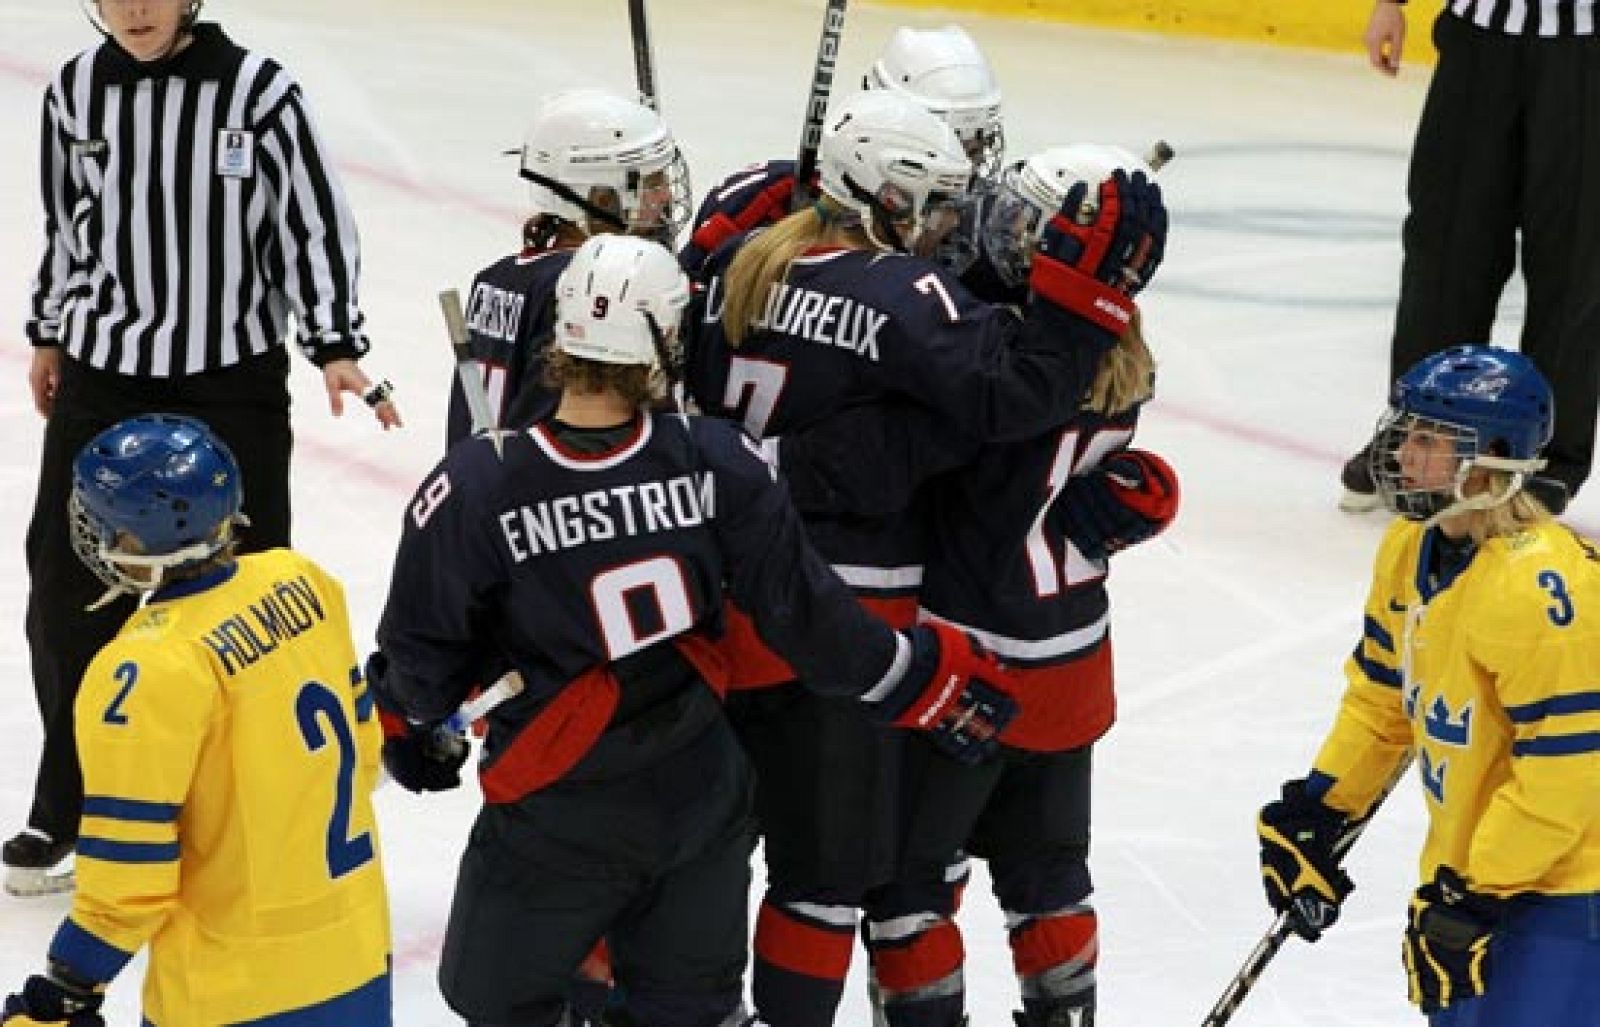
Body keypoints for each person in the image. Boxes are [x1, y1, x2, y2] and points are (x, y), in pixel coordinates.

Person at [367, 234, 1018, 1027]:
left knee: (488, 992)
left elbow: (420, 656)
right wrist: (923, 675)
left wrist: (414, 728)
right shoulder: (720, 461)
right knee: (692, 1009)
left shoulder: (474, 486)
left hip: (560, 805)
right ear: (666, 341)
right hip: (699, 796)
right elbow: (809, 618)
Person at [686, 94, 1166, 1026]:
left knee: (753, 861)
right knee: (933, 882)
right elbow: (1007, 402)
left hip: (736, 607)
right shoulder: (1092, 359)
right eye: (941, 203)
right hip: (907, 644)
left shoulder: (734, 272)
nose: (959, 225)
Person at [9, 0, 402, 896]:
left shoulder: (259, 94)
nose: (134, 9)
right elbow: (69, 229)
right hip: (105, 375)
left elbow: (314, 224)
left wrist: (335, 345)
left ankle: (236, 800)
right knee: (69, 592)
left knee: (246, 593)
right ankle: (74, 804)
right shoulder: (75, 91)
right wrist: (48, 333)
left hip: (232, 381)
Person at [2, 414, 391, 1027]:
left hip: (233, 991)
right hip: (356, 959)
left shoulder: (143, 668)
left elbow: (129, 875)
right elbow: (366, 755)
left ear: (131, 544)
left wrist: (71, 982)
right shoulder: (303, 581)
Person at [1259, 344, 1600, 1025]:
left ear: (1491, 462)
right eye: (1405, 430)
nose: (1400, 452)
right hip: (1475, 878)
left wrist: (1476, 892)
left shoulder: (1542, 592)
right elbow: (1383, 697)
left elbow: (1569, 774)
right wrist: (1324, 805)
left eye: (1427, 439)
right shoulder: (1412, 548)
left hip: (1570, 892)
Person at [1338, 0, 1600, 516]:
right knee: (1446, 250)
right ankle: (1420, 435)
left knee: (1573, 262)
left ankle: (1547, 461)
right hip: (1478, 42)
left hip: (1588, 52)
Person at [445, 87, 692, 445]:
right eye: (653, 182)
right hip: (543, 490)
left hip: (486, 481)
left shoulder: (498, 277)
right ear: (602, 196)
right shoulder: (582, 290)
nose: (666, 195)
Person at [679, 23, 1004, 279]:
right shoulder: (759, 203)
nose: (965, 172)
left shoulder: (996, 232)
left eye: (975, 151)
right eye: (951, 148)